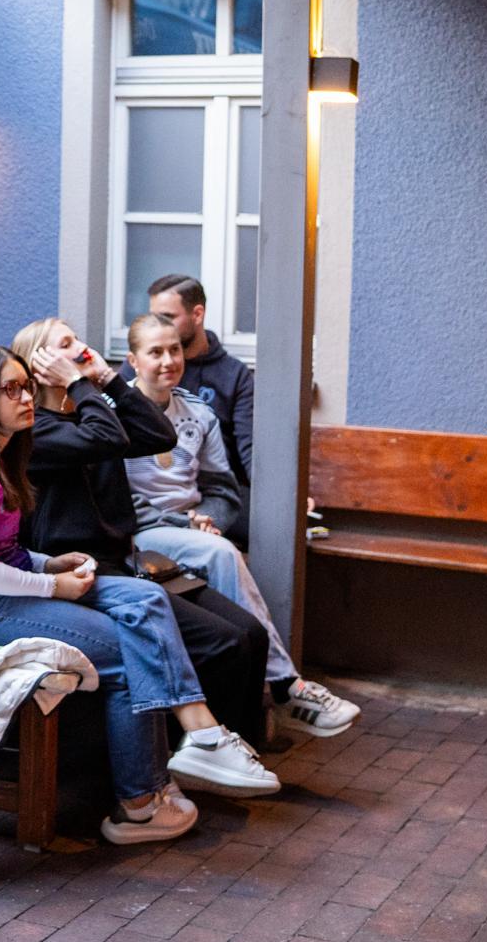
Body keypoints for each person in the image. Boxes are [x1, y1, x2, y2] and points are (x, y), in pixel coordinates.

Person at [11, 316, 278, 792]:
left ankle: (218, 755)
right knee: (221, 642)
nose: (84, 349)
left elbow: (159, 434)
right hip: (84, 577)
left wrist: (108, 378)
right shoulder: (39, 432)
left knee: (248, 635)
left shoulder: (85, 412)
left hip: (126, 566)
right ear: (42, 364)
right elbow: (109, 437)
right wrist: (82, 383)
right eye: (69, 344)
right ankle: (198, 754)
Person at [122, 315, 359, 738]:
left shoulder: (198, 414)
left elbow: (221, 489)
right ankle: (288, 686)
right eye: (154, 352)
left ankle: (261, 707)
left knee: (221, 556)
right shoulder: (115, 416)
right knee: (222, 554)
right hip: (140, 532)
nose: (167, 360)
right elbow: (118, 500)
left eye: (174, 349)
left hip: (192, 532)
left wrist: (210, 519)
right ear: (133, 361)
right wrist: (189, 526)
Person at [141, 273, 254, 487]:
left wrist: (283, 497)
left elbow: (250, 447)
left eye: (167, 317)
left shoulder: (234, 375)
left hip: (213, 492)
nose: (158, 327)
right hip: (151, 491)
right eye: (153, 319)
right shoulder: (142, 366)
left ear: (197, 314)